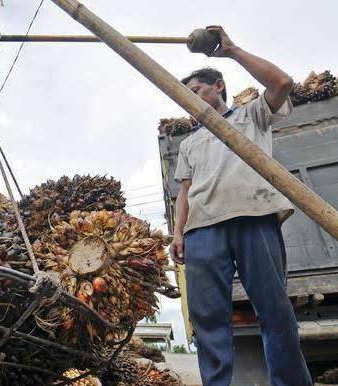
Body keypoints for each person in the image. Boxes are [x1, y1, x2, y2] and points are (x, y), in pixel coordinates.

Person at [169, 26, 312, 386]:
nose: (193, 100)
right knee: (208, 320)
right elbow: (185, 192)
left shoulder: (252, 116)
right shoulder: (189, 143)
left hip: (254, 218)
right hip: (202, 231)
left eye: (198, 91)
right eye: (186, 97)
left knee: (275, 312)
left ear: (218, 87)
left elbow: (281, 82)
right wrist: (177, 233)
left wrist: (230, 50)